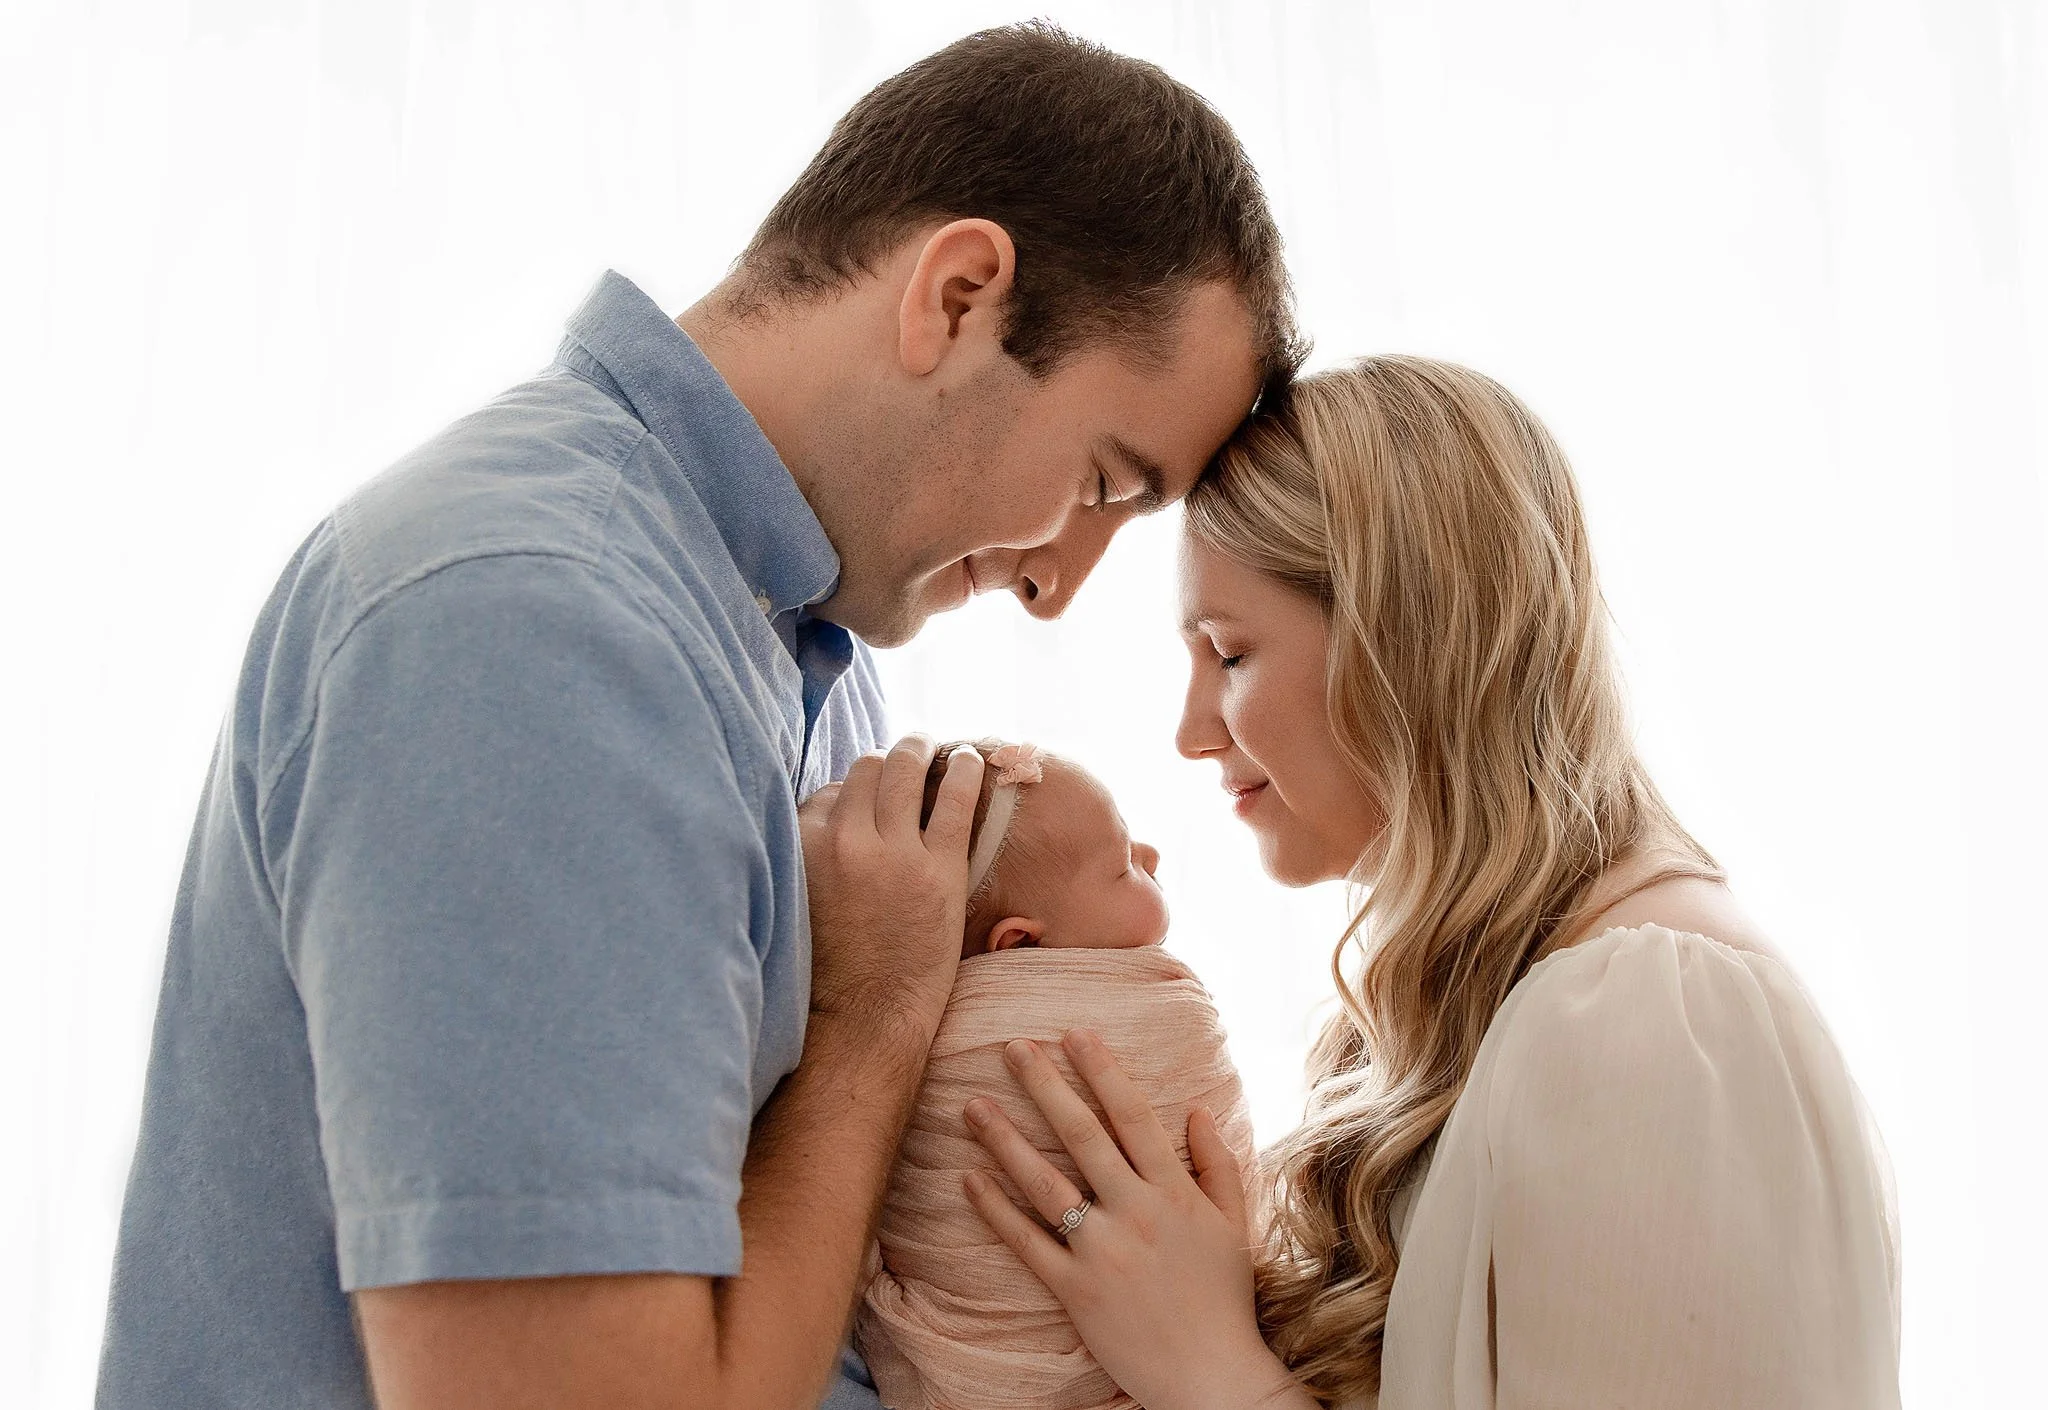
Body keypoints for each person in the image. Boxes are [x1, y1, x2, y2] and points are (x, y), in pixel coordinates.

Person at [96, 23, 1300, 1410]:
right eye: (1101, 483)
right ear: (958, 297)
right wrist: (874, 1017)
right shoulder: (531, 630)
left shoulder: (811, 666)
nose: (1054, 584)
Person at [947, 357, 1903, 1408]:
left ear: (1404, 640)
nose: (1188, 731)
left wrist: (1207, 1367)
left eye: (1227, 654)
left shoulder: (1650, 1018)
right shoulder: (1480, 999)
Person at [852, 740, 1257, 1410]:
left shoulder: (908, 1020)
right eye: (1124, 867)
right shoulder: (1131, 1014)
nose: (1152, 857)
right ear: (1020, 946)